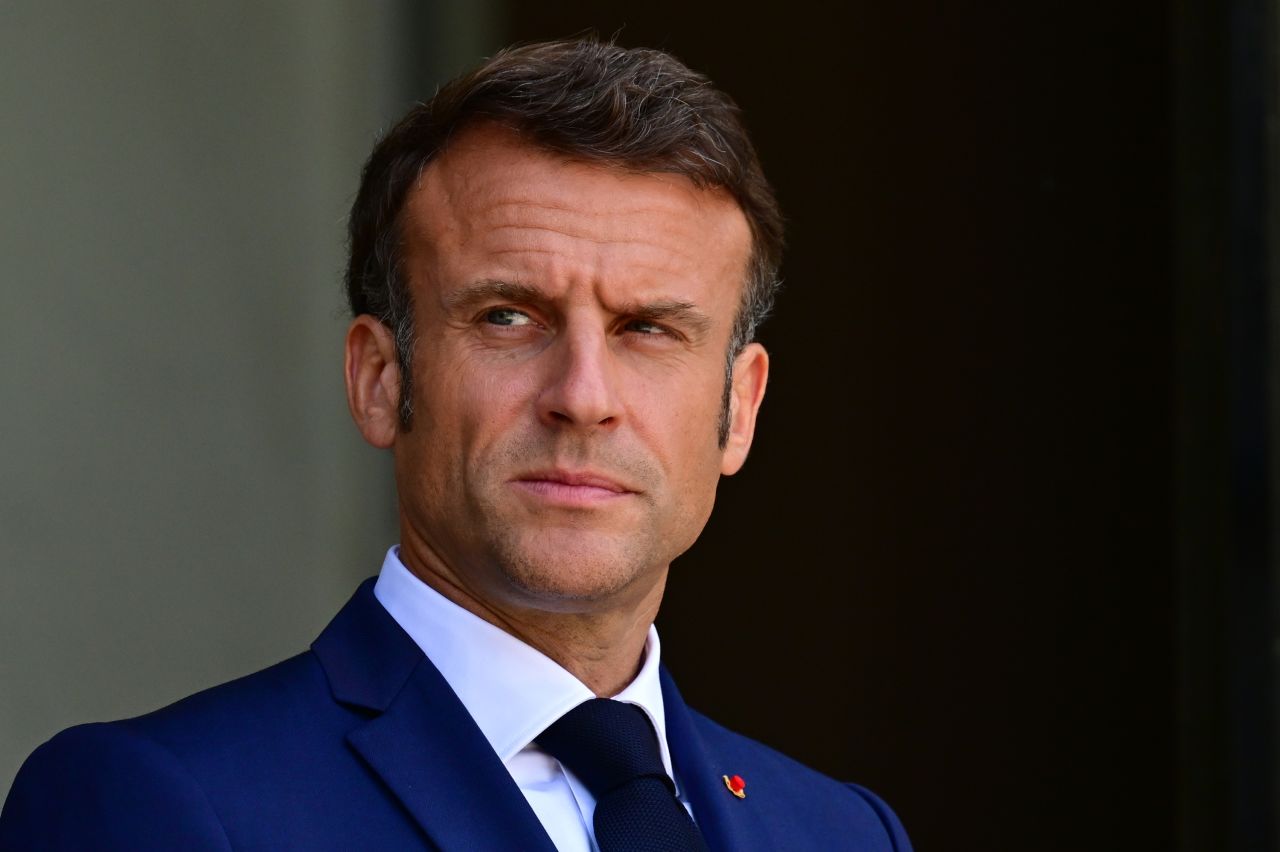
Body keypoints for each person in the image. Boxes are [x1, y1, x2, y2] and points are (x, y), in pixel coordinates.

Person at [0, 38, 911, 851]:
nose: (583, 398)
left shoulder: (840, 830)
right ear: (380, 380)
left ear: (739, 408)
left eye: (647, 329)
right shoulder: (158, 806)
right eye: (508, 316)